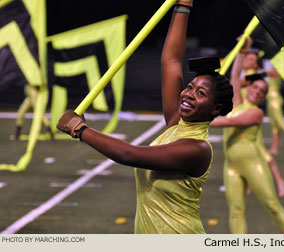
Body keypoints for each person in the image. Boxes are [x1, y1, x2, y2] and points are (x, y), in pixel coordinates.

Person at [57, 0, 233, 234]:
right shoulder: (176, 122)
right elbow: (170, 61)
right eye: (189, 87)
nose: (188, 94)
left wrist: (79, 129)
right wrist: (183, 6)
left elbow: (129, 154)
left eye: (200, 93)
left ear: (215, 109)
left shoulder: (197, 149)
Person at [210, 37, 284, 234]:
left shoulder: (256, 113)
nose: (257, 91)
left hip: (254, 164)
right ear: (249, 88)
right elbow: (234, 77)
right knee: (236, 212)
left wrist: (202, 119)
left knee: (272, 205)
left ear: (263, 97)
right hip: (231, 166)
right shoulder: (237, 101)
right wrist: (242, 51)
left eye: (261, 91)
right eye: (255, 87)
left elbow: (229, 122)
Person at [238, 47, 284, 197]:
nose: (247, 61)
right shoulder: (246, 73)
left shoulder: (254, 76)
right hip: (241, 117)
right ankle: (249, 183)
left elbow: (243, 82)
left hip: (251, 119)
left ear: (255, 64)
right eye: (246, 58)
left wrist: (264, 73)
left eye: (251, 59)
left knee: (260, 151)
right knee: (245, 153)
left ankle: (279, 180)